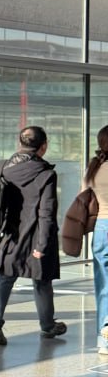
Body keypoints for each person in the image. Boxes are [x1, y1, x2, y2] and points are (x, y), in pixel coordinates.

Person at [0, 124, 65, 346]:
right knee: (42, 280)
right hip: (36, 235)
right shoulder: (46, 174)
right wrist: (42, 245)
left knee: (3, 278)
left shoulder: (1, 168)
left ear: (19, 144)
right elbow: (46, 213)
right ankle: (47, 326)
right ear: (43, 146)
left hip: (8, 235)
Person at [82, 125, 108, 356]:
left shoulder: (93, 168)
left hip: (101, 229)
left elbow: (83, 197)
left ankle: (104, 340)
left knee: (103, 287)